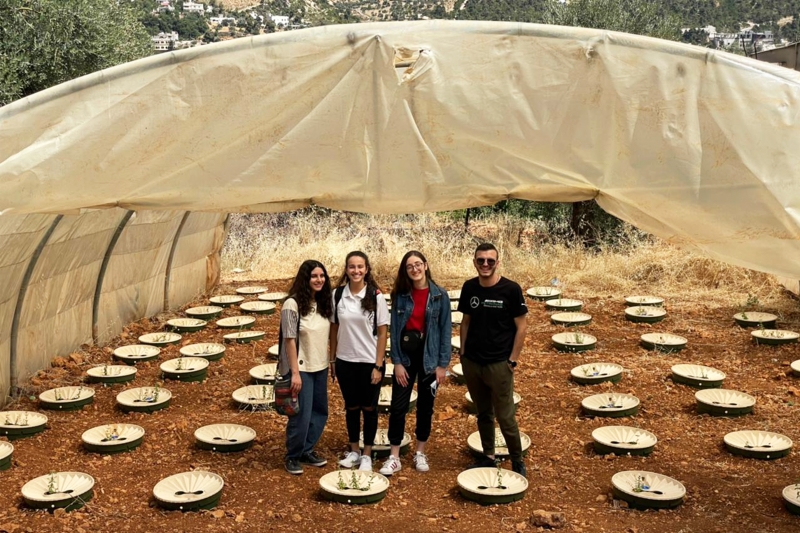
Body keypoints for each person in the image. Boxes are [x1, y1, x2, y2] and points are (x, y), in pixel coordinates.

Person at [457, 242, 528, 477]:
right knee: (483, 412)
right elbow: (465, 322)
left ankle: (517, 460)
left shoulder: (511, 289)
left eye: (490, 260)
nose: (485, 264)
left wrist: (512, 360)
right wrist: (463, 353)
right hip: (473, 362)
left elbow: (521, 326)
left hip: (499, 363)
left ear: (497, 262)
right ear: (474, 262)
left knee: (505, 416)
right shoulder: (469, 287)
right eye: (481, 260)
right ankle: (488, 456)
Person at [379, 251, 451, 476]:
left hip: (430, 358)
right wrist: (397, 362)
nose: (415, 269)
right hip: (406, 357)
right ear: (405, 270)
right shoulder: (400, 295)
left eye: (418, 264)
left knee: (425, 407)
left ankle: (420, 451)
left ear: (426, 266)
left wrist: (442, 365)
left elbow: (445, 330)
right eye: (409, 266)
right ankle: (394, 456)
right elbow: (394, 329)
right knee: (398, 406)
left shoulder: (440, 295)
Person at [330, 251, 390, 472]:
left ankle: (367, 454)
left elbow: (382, 333)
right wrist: (333, 359)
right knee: (352, 407)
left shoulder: (376, 296)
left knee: (369, 408)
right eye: (352, 267)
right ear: (346, 270)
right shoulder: (337, 295)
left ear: (366, 269)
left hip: (369, 362)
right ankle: (354, 450)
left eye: (360, 267)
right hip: (345, 360)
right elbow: (334, 329)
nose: (356, 271)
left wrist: (378, 365)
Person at [281, 260, 334, 475]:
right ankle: (293, 455)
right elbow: (289, 339)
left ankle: (307, 449)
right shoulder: (292, 304)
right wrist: (295, 372)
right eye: (314, 276)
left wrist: (331, 362)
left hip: (320, 365)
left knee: (320, 412)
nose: (319, 280)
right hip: (302, 367)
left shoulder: (323, 303)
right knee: (301, 415)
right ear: (305, 278)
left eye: (322, 276)